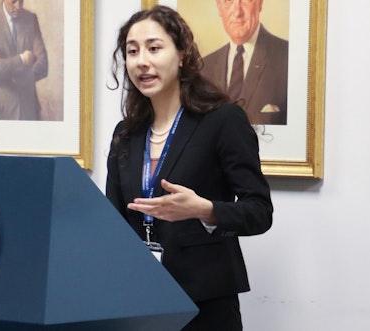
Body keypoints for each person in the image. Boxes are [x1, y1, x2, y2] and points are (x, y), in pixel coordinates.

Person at [106, 5, 272, 330]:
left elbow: (259, 211)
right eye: (132, 51)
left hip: (205, 303)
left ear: (181, 54)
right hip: (139, 298)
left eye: (154, 48)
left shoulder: (222, 121)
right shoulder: (126, 133)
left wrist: (205, 210)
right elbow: (113, 220)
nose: (142, 61)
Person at [201, 0, 288, 125]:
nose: (237, 12)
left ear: (260, 4)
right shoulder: (204, 68)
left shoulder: (287, 57)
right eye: (229, 1)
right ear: (219, 7)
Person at [0, 0, 48, 121]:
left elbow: (43, 64)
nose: (19, 6)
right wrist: (22, 59)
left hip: (30, 109)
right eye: (14, 1)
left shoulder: (31, 19)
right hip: (3, 110)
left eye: (21, 1)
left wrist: (5, 65)